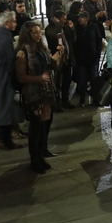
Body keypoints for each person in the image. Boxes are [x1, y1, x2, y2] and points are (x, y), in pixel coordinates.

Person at [16, 21, 64, 174]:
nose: (38, 35)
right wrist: (39, 78)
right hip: (33, 94)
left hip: (46, 92)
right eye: (35, 33)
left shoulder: (42, 49)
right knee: (36, 127)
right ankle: (34, 159)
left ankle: (42, 152)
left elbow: (53, 66)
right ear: (27, 35)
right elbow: (21, 77)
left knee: (45, 123)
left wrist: (59, 55)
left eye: (39, 32)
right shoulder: (23, 53)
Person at [0, 11, 22, 149]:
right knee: (6, 108)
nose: (15, 23)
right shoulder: (4, 37)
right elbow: (9, 61)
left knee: (6, 109)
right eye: (13, 21)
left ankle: (3, 138)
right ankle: (3, 138)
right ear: (7, 23)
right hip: (3, 78)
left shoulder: (0, 35)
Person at [72, 11, 103, 107]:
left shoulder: (93, 27)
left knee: (94, 79)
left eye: (82, 17)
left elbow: (99, 40)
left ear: (87, 18)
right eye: (79, 18)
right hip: (81, 59)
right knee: (82, 80)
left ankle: (95, 98)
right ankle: (82, 99)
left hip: (92, 58)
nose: (80, 19)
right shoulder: (75, 28)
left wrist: (97, 53)